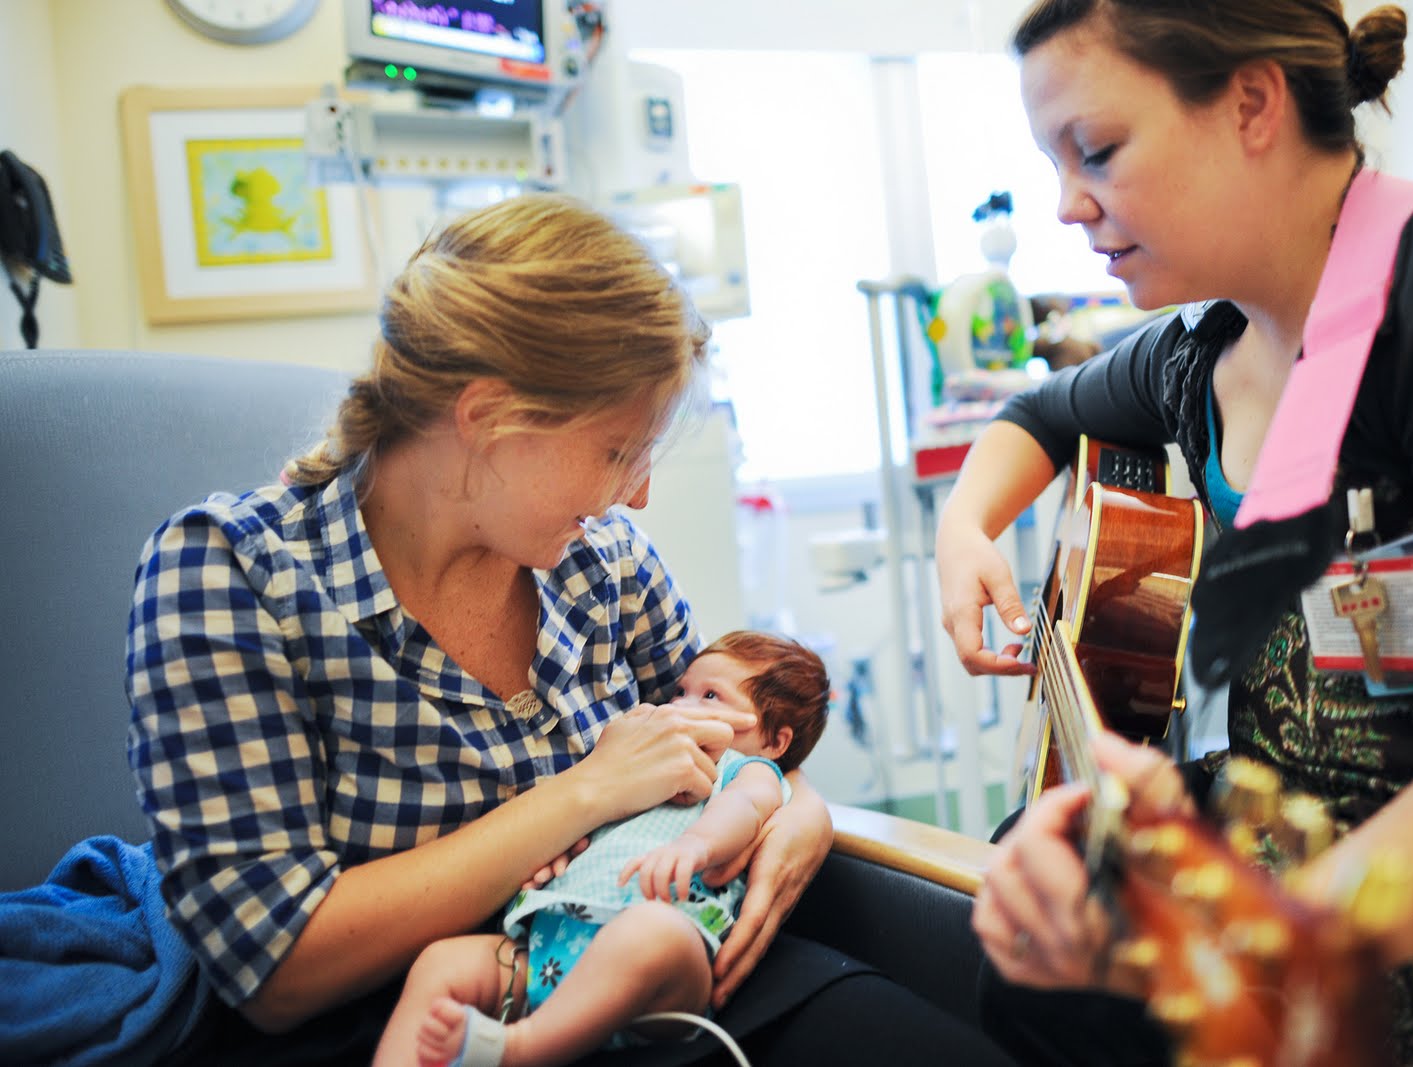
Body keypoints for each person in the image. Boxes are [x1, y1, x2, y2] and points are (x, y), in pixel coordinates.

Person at [127, 193, 1017, 1066]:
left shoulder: (606, 562)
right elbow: (277, 968)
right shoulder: (233, 574)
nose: (635, 494)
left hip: (658, 967)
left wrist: (801, 813)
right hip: (421, 1012)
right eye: (618, 450)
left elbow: (741, 744)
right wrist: (582, 794)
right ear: (487, 417)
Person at [934, 2, 1413, 1065]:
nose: (1066, 204)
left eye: (1096, 150)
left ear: (1252, 103)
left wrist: (1266, 934)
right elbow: (1039, 416)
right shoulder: (1197, 354)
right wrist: (964, 529)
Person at [371, 630, 829, 1067]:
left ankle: (520, 1048)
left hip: (661, 973)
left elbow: (745, 809)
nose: (681, 707)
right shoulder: (653, 763)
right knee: (441, 963)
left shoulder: (747, 770)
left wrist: (698, 843)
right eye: (681, 691)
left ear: (773, 740)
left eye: (710, 697)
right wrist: (563, 855)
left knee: (649, 932)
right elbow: (596, 821)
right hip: (553, 950)